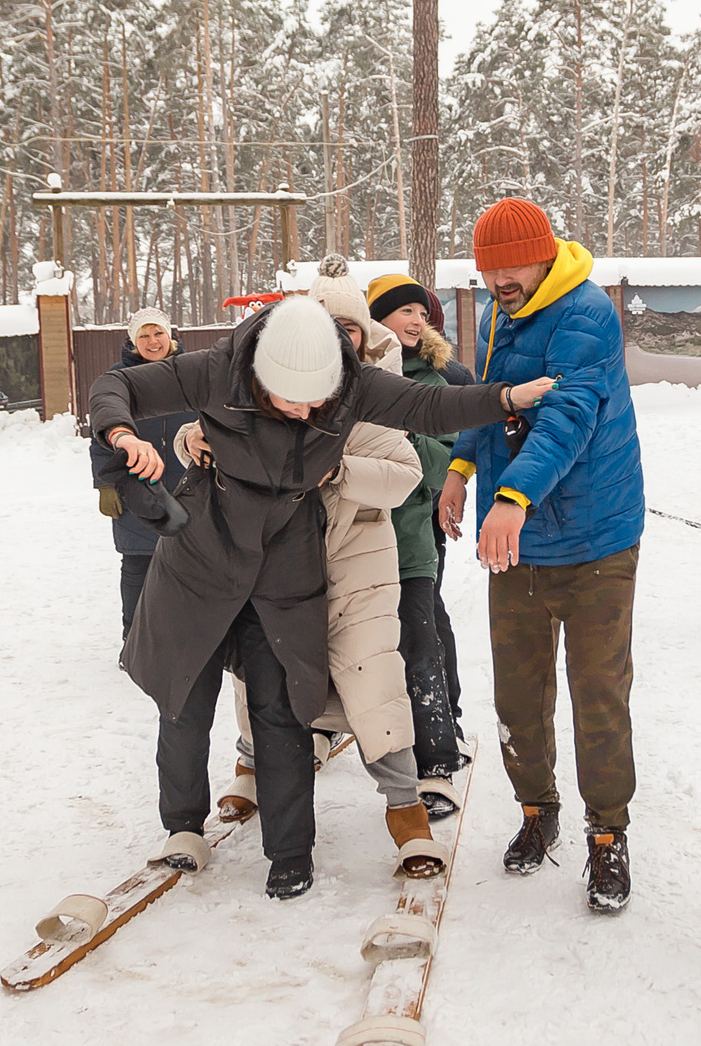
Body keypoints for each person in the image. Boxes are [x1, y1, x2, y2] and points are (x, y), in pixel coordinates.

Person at [92, 294, 549, 899]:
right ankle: (181, 827)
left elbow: (428, 406)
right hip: (202, 558)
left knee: (280, 705)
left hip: (285, 563)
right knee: (184, 698)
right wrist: (125, 435)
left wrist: (505, 399)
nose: (308, 411)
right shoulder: (217, 369)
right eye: (292, 398)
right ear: (260, 377)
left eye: (318, 399)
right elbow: (113, 386)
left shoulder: (352, 385)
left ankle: (290, 852)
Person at [186, 259, 448, 875]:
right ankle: (251, 767)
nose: (335, 338)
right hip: (275, 568)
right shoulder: (271, 384)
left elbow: (407, 473)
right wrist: (187, 443)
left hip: (358, 564)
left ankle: (405, 812)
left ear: (364, 337)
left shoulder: (375, 394)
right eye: (323, 324)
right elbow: (211, 430)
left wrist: (339, 471)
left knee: (373, 681)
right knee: (262, 675)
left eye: (348, 328)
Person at [436, 198, 648, 911]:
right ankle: (537, 809)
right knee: (520, 694)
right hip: (522, 542)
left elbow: (566, 417)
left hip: (595, 540)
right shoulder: (501, 313)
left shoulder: (587, 315)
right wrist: (464, 471)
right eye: (487, 269)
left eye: (511, 266)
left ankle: (607, 833)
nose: (499, 279)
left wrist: (512, 497)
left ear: (545, 253)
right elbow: (490, 399)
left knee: (597, 693)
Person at [367, 268, 466, 814]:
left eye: (422, 314)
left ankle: (438, 749)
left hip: (413, 532)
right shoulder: (350, 376)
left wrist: (408, 442)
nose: (417, 320)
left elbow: (448, 454)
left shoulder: (434, 380)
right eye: (406, 311)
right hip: (350, 540)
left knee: (420, 635)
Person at [87, 307, 190, 637]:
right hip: (137, 486)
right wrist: (105, 483)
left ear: (170, 335)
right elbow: (100, 438)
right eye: (143, 335)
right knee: (138, 565)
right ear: (133, 341)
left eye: (158, 333)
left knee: (190, 567)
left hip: (189, 485)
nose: (152, 341)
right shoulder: (119, 379)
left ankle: (188, 636)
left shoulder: (190, 374)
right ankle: (134, 638)